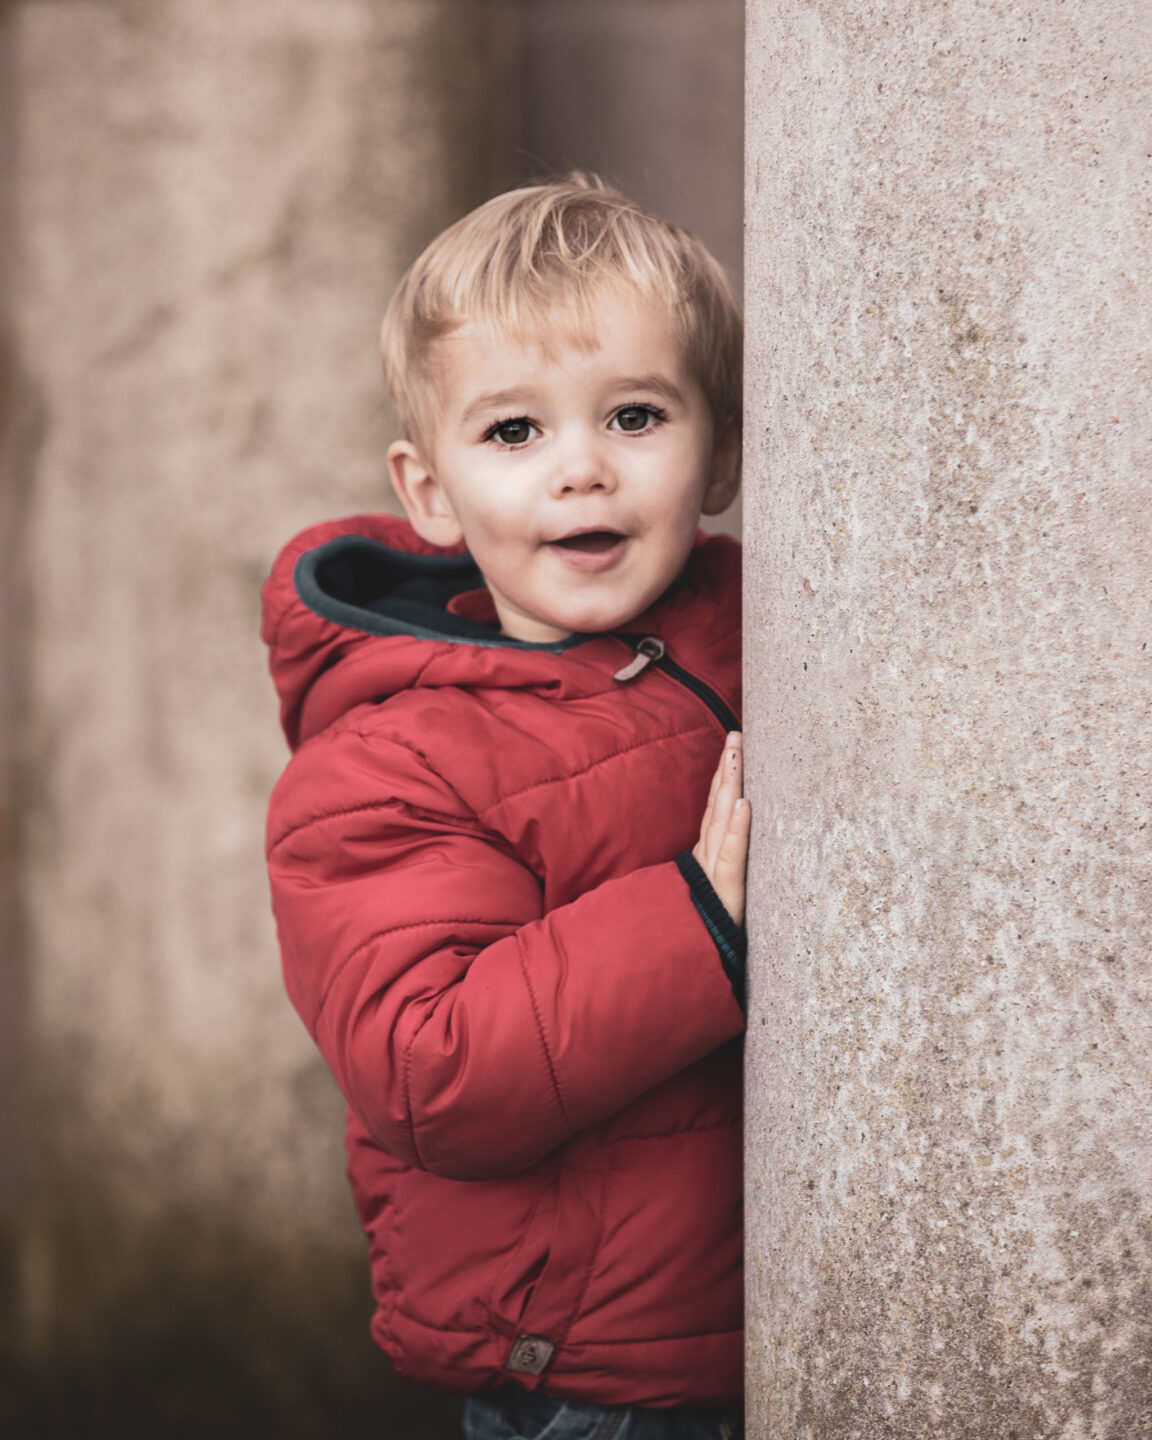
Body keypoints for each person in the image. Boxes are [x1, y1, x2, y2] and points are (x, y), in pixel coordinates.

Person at [261, 174, 750, 1440]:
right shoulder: (382, 765)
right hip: (591, 1372)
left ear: (723, 453)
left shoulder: (766, 635)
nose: (581, 470)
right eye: (514, 433)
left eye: (635, 415)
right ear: (429, 492)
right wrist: (703, 921)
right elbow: (429, 1068)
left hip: (780, 1317)